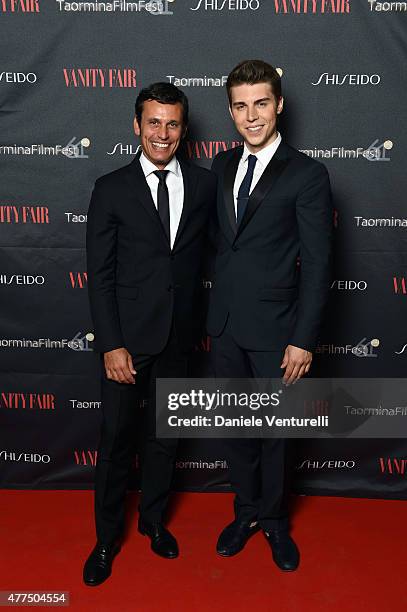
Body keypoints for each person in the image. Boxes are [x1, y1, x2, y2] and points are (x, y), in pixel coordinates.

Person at [83, 82, 216, 586]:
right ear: (137, 126)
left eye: (173, 123)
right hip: (127, 343)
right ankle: (104, 539)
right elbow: (100, 275)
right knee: (116, 441)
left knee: (164, 440)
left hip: (179, 339)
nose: (163, 133)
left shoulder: (204, 187)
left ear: (185, 130)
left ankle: (154, 522)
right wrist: (111, 343)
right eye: (153, 122)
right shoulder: (110, 188)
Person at [207, 60, 332, 571]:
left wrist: (303, 339)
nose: (251, 116)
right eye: (241, 105)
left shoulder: (307, 173)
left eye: (261, 103)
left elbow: (321, 263)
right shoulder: (218, 165)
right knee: (237, 427)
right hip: (225, 326)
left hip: (279, 330)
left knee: (278, 432)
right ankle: (246, 512)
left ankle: (275, 521)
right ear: (231, 111)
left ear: (279, 104)